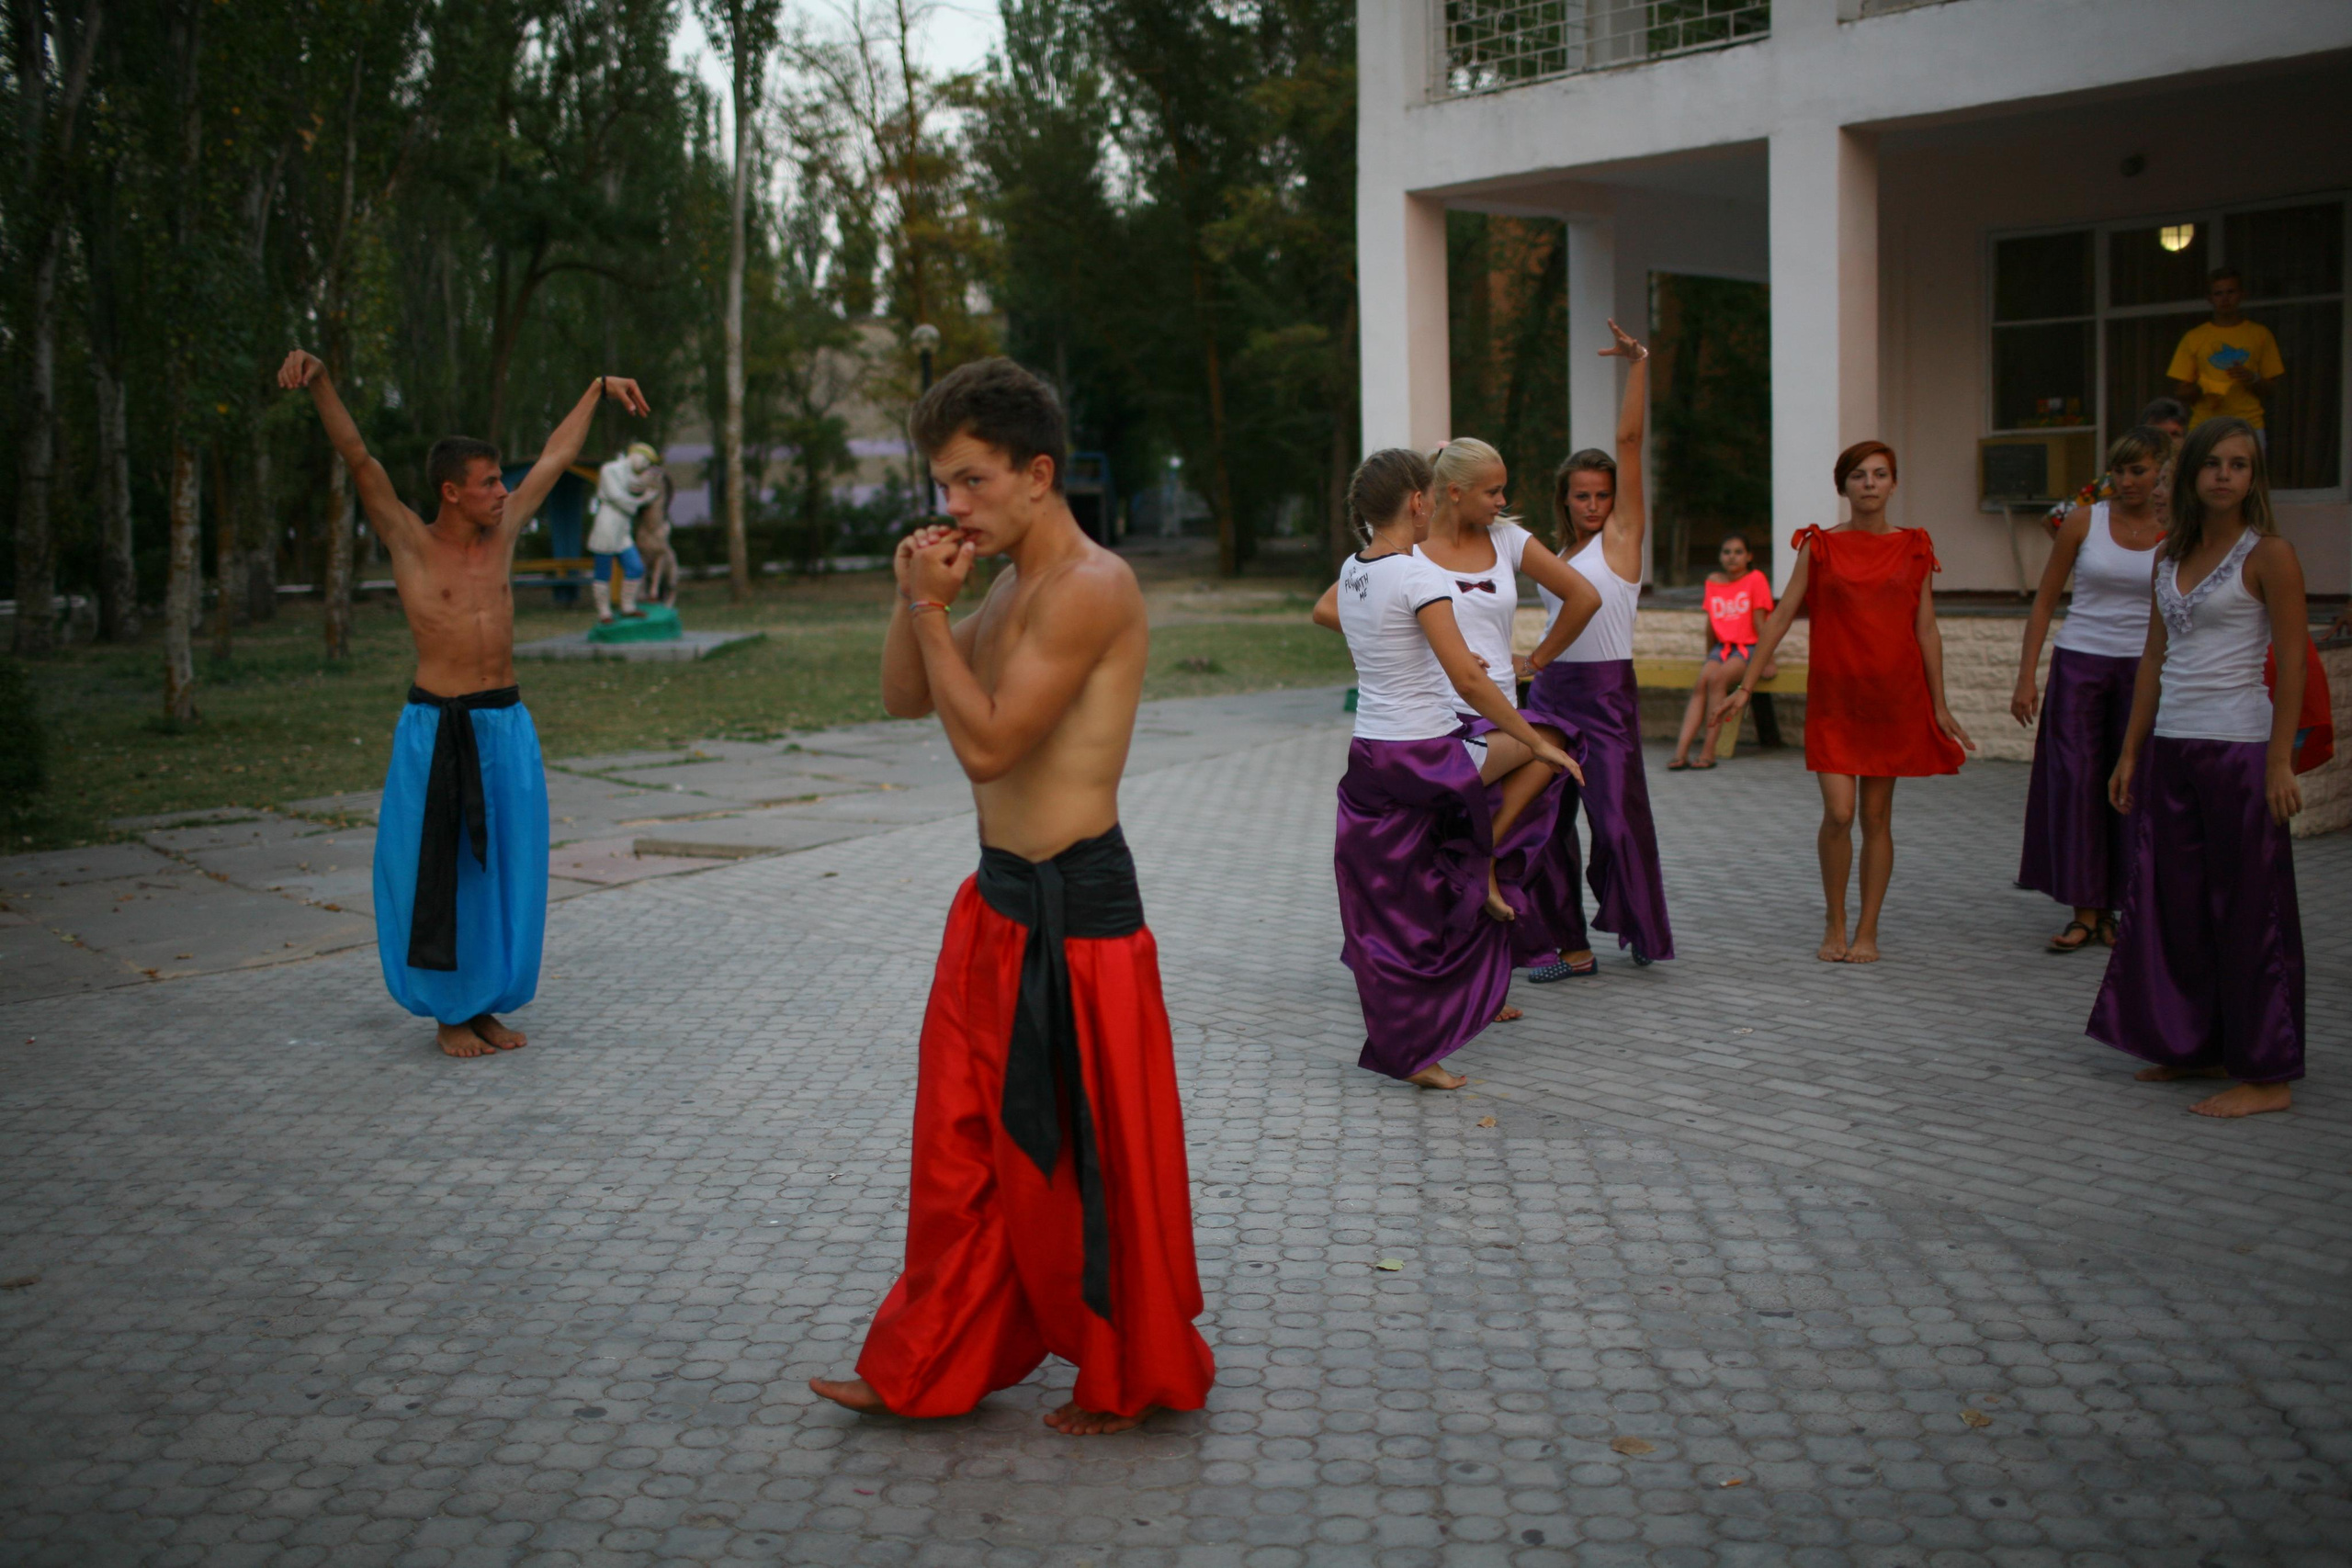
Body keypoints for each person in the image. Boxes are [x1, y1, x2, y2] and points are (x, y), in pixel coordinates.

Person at [808, 358, 1214, 1435]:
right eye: (943, 484)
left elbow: (987, 746)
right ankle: (925, 1362)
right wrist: (916, 604)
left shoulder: (1093, 586)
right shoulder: (1001, 586)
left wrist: (934, 616)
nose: (953, 505)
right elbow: (905, 699)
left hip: (1079, 919)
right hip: (992, 907)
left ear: (1039, 475)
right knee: (962, 1157)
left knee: (1092, 1162)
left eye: (971, 482)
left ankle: (1127, 1374)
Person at [277, 350, 651, 1058]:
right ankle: (450, 1012)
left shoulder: (504, 535)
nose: (503, 491)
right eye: (487, 483)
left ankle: (485, 1003)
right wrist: (322, 381)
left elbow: (552, 458)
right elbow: (360, 458)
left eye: (500, 479)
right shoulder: (410, 543)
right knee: (440, 870)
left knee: (506, 866)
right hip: (438, 726)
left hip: (506, 724)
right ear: (451, 492)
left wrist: (597, 387)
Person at [1309, 448, 1579, 1089]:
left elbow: (1390, 647)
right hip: (1427, 757)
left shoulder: (1354, 570)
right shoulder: (1418, 577)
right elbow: (1465, 676)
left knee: (1402, 900)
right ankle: (1484, 864)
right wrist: (1532, 742)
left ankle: (1413, 1049)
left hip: (1371, 757)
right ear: (1419, 502)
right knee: (1555, 737)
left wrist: (1446, 670)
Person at [2091, 417, 2305, 1118]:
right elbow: (2154, 658)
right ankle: (2199, 1044)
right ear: (2189, 476)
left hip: (2239, 750)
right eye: (2212, 463)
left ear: (2253, 478)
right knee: (2175, 906)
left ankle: (2267, 1072)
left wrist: (2280, 760)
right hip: (2174, 748)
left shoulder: (2269, 554)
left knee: (2251, 911)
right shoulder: (2168, 554)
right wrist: (2130, 751)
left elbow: (2296, 662)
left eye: (2239, 464)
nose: (2223, 475)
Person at [1715, 441, 1975, 964]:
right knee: (1839, 812)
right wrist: (1744, 686)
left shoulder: (1916, 545)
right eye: (1859, 475)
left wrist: (1940, 705)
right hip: (1835, 699)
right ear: (1844, 486)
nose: (1871, 484)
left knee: (1877, 818)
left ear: (1894, 483)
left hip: (1894, 699)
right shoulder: (1819, 546)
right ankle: (1833, 920)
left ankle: (1867, 929)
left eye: (1881, 475)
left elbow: (1926, 628)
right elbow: (1784, 612)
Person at [1522, 321, 1673, 978]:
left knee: (1615, 823)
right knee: (1543, 826)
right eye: (1581, 495)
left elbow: (1629, 441)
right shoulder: (1554, 556)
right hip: (1552, 697)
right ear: (1565, 499)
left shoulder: (1622, 538)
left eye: (1602, 495)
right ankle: (1570, 948)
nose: (1592, 504)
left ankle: (1640, 925)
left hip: (1607, 696)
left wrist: (1638, 365)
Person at [1414, 436, 1600, 960]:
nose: (1502, 500)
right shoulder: (1409, 546)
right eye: (1492, 491)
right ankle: (1447, 971)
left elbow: (1585, 597)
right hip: (1436, 716)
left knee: (1554, 748)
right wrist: (1433, 644)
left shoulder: (1509, 540)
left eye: (1503, 490)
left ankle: (1486, 855)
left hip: (1499, 712)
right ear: (1454, 492)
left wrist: (1536, 660)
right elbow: (1334, 609)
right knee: (1435, 838)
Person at [2012, 427, 2171, 953]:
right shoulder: (2084, 521)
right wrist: (2026, 675)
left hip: (2144, 671)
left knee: (2133, 787)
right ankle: (2084, 912)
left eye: (2139, 471)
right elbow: (2044, 602)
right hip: (2081, 664)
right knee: (2077, 784)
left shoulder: (2177, 529)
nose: (2126, 482)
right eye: (2119, 471)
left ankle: (2120, 910)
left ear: (2161, 472)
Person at [1668, 532, 1774, 771]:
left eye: (1738, 552)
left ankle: (1709, 751)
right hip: (1722, 647)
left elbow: (1761, 624)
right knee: (1702, 681)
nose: (1732, 557)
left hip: (1748, 647)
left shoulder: (1755, 579)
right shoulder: (1713, 582)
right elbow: (1710, 625)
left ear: (1749, 556)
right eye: (1726, 552)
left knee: (1718, 680)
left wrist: (1768, 659)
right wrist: (1710, 656)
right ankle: (1681, 752)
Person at [2168, 270, 2283, 443]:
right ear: (2210, 298)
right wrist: (2204, 387)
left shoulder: (2260, 334)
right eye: (2218, 293)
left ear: (2242, 295)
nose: (2225, 299)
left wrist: (2252, 379)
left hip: (2247, 425)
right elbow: (2180, 392)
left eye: (2231, 292)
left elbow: (2273, 388)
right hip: (2205, 426)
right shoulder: (2194, 337)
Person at [2043, 398, 2188, 533]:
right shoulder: (2111, 482)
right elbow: (2053, 520)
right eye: (2157, 435)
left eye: (2174, 434)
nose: (2167, 441)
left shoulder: (2192, 480)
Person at [588, 443, 660, 622]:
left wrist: (648, 485)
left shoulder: (631, 475)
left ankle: (628, 606)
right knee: (603, 572)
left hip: (622, 530)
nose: (645, 466)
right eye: (645, 461)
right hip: (607, 525)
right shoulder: (610, 470)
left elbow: (636, 486)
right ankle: (604, 611)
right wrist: (641, 500)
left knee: (635, 567)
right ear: (636, 455)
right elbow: (617, 498)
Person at [635, 464, 679, 608]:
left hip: (658, 533)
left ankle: (658, 591)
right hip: (647, 532)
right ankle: (642, 591)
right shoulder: (644, 496)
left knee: (666, 557)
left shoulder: (664, 520)